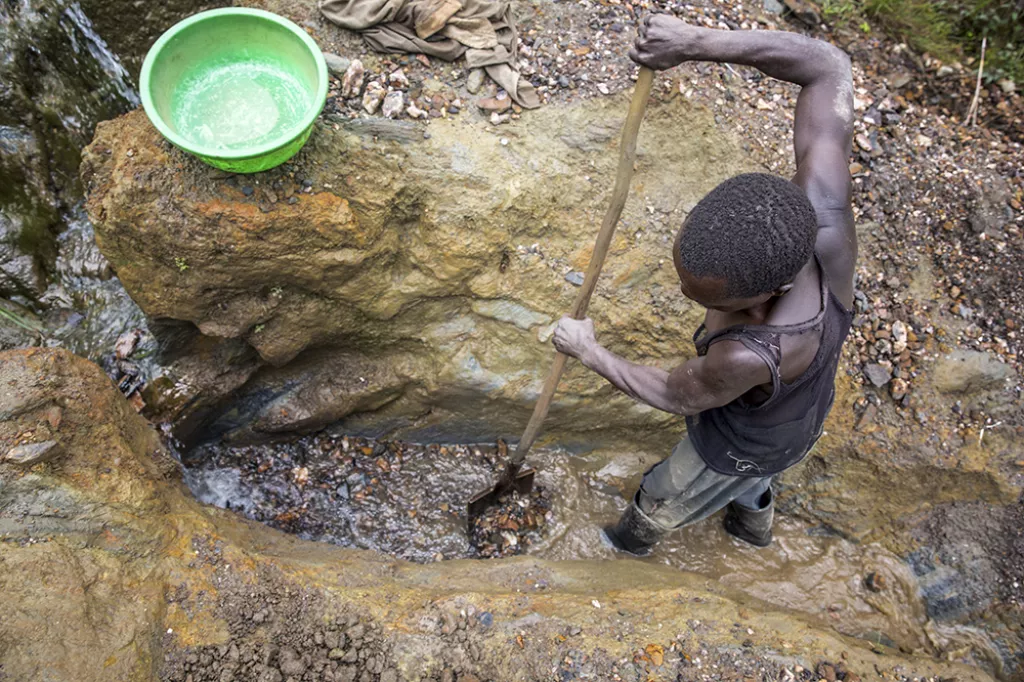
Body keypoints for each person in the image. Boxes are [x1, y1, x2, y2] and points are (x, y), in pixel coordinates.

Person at [551, 15, 856, 553]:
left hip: (743, 441)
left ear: (770, 294)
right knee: (754, 481)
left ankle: (628, 548)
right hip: (799, 415)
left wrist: (588, 350)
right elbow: (828, 67)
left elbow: (673, 392)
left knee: (668, 491)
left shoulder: (750, 356)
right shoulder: (822, 212)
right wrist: (697, 43)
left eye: (710, 301)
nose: (690, 300)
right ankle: (750, 533)